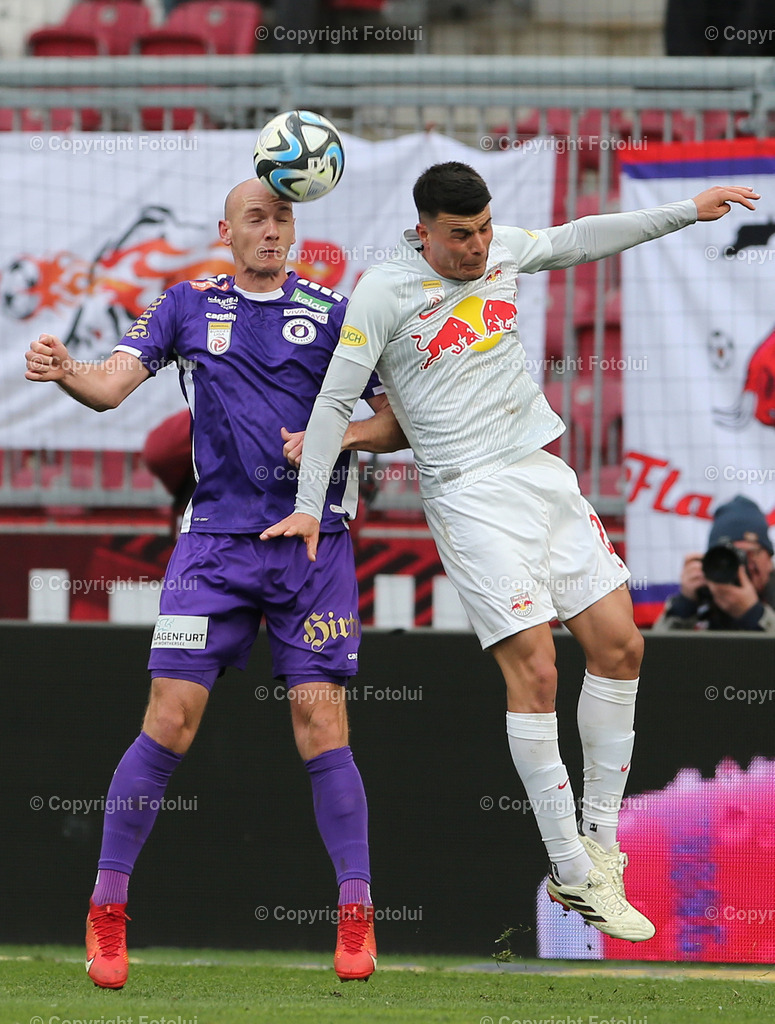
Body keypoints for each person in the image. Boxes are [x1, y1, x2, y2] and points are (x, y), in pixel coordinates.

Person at [260, 162, 759, 942]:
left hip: (540, 472)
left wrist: (686, 211)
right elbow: (332, 403)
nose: (477, 246)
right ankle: (567, 866)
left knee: (621, 646)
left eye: (485, 229)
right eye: (460, 235)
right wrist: (305, 506)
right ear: (424, 231)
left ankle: (600, 845)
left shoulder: (500, 252)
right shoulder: (382, 293)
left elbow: (581, 237)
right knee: (537, 668)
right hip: (467, 495)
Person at [24, 179, 407, 988]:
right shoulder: (185, 304)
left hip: (311, 547)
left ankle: (356, 912)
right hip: (212, 551)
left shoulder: (335, 314)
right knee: (169, 718)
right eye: (256, 219)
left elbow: (399, 421)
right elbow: (108, 386)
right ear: (225, 230)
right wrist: (64, 370)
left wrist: (335, 436)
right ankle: (107, 909)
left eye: (283, 219)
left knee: (321, 722)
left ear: (295, 230)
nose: (271, 231)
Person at [653, 494, 775, 632]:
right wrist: (684, 605)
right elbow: (658, 645)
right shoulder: (704, 590)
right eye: (730, 556)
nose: (740, 565)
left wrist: (754, 615)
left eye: (750, 553)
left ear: (769, 559)